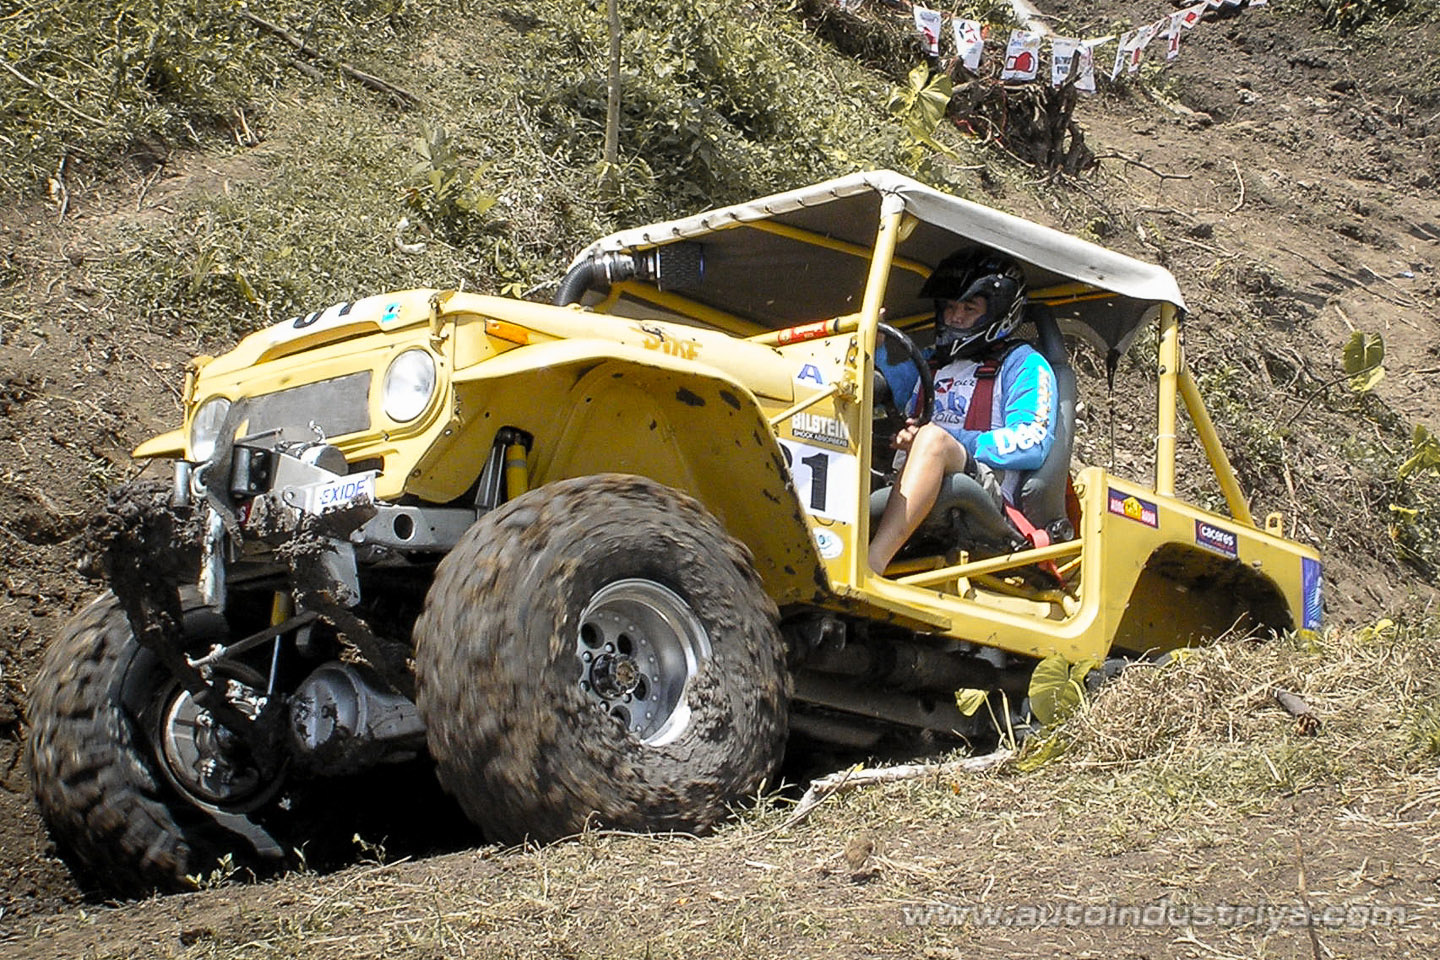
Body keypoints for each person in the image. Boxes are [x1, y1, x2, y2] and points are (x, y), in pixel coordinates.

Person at [868, 249, 1059, 575]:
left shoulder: (1024, 363)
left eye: (969, 308)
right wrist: (871, 347)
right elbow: (876, 390)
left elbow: (1032, 440)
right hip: (902, 475)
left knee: (932, 440)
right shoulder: (928, 362)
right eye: (951, 307)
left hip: (988, 492)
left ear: (999, 313)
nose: (955, 317)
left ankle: (870, 565)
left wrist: (948, 440)